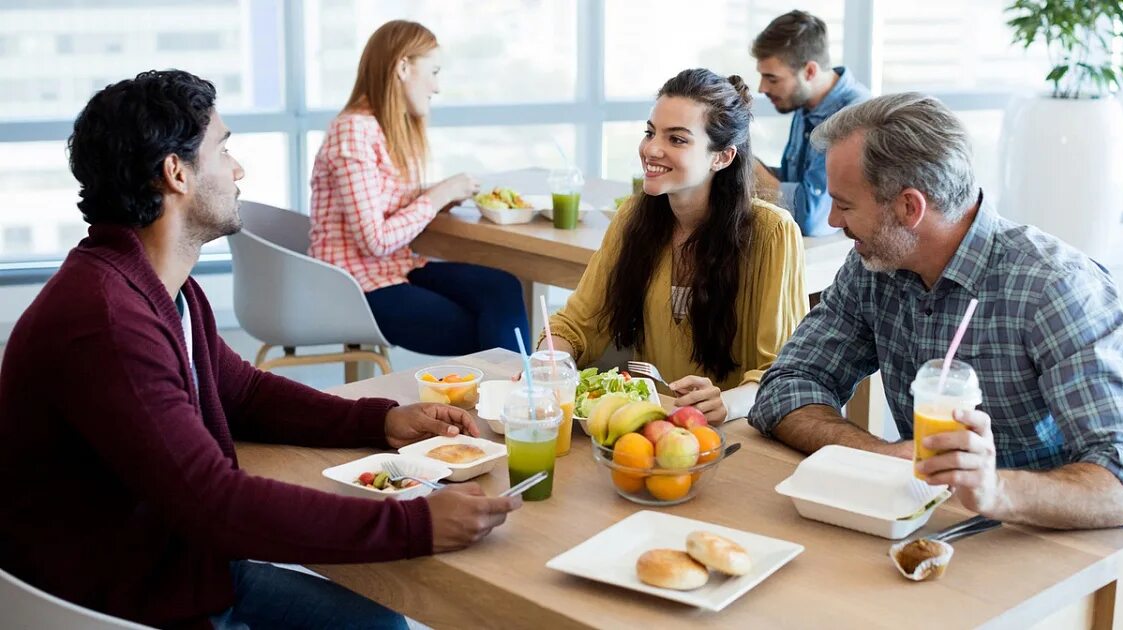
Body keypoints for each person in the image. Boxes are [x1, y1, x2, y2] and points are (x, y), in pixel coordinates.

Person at [0, 70, 522, 629]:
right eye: (223, 150)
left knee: (382, 625)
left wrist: (385, 422)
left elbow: (243, 392)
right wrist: (416, 524)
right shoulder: (106, 321)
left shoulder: (160, 288)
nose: (238, 169)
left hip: (178, 570)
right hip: (122, 605)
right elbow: (214, 504)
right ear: (176, 174)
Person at [749, 93, 1123, 530]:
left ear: (909, 208)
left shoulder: (1055, 288)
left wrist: (994, 490)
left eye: (846, 204)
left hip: (1036, 537)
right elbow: (786, 385)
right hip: (928, 523)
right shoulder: (874, 266)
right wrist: (879, 453)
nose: (832, 220)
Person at [542, 68, 807, 425]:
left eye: (677, 140)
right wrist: (548, 363)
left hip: (739, 434)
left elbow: (781, 373)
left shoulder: (773, 233)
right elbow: (576, 324)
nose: (652, 149)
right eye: (651, 133)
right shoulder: (633, 216)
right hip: (654, 427)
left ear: (722, 157)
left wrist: (727, 403)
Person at [310, 20, 530, 355]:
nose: (437, 87)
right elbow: (375, 240)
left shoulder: (384, 130)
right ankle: (514, 399)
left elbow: (381, 202)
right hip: (357, 287)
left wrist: (440, 196)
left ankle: (512, 397)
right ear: (402, 67)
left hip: (397, 269)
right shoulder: (353, 130)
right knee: (485, 330)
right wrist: (437, 194)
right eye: (434, 71)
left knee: (503, 288)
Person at [751, 10, 870, 236]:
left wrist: (752, 169)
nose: (762, 88)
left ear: (810, 71)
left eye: (772, 78)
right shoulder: (805, 102)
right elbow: (795, 182)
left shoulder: (852, 117)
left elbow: (814, 218)